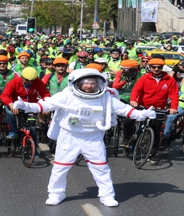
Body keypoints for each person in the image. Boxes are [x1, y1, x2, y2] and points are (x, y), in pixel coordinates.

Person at [12, 69, 156, 207]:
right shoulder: (67, 95)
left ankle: (107, 195)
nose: (89, 85)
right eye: (86, 82)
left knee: (101, 168)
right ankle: (56, 193)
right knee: (60, 167)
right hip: (69, 136)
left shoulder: (105, 97)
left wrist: (142, 115)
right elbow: (44, 105)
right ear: (77, 83)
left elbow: (124, 110)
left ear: (98, 83)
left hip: (93, 137)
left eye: (92, 83)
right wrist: (24, 105)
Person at [129, 58, 179, 163]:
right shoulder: (144, 78)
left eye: (159, 67)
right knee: (137, 126)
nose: (156, 69)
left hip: (159, 109)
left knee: (156, 131)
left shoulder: (169, 80)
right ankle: (132, 143)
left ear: (162, 68)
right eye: (154, 67)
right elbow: (136, 90)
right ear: (150, 67)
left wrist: (173, 107)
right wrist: (133, 100)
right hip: (144, 107)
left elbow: (174, 95)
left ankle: (152, 153)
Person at [1, 67, 51, 139]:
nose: (28, 82)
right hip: (15, 104)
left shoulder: (38, 82)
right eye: (26, 79)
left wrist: (47, 106)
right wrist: (10, 104)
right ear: (22, 76)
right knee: (10, 113)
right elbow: (5, 95)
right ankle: (13, 132)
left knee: (32, 128)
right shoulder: (14, 82)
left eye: (31, 80)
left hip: (29, 105)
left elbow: (45, 94)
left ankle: (34, 148)